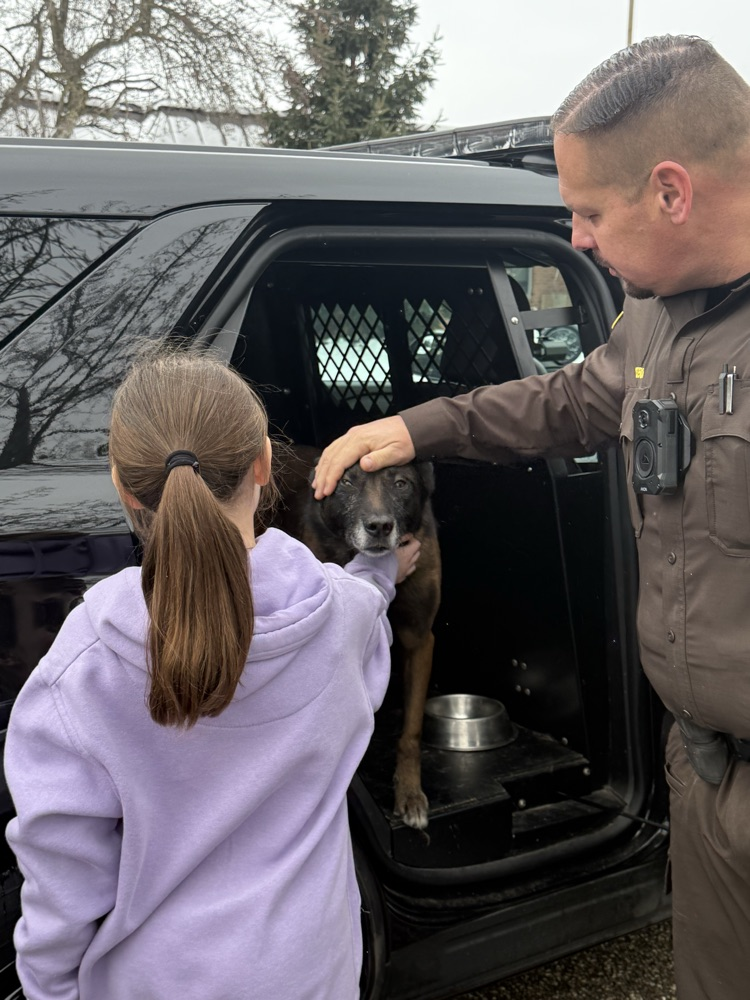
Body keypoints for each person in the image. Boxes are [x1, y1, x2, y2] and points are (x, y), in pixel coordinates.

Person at [312, 34, 750, 1000]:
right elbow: (562, 403)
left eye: (589, 212)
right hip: (702, 768)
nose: (579, 238)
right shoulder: (654, 320)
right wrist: (409, 424)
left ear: (672, 191)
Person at [4, 350, 420, 1000]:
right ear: (263, 463)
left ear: (122, 486)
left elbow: (63, 881)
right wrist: (383, 573)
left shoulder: (83, 667)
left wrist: (49, 990)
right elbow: (368, 609)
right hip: (315, 970)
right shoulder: (341, 617)